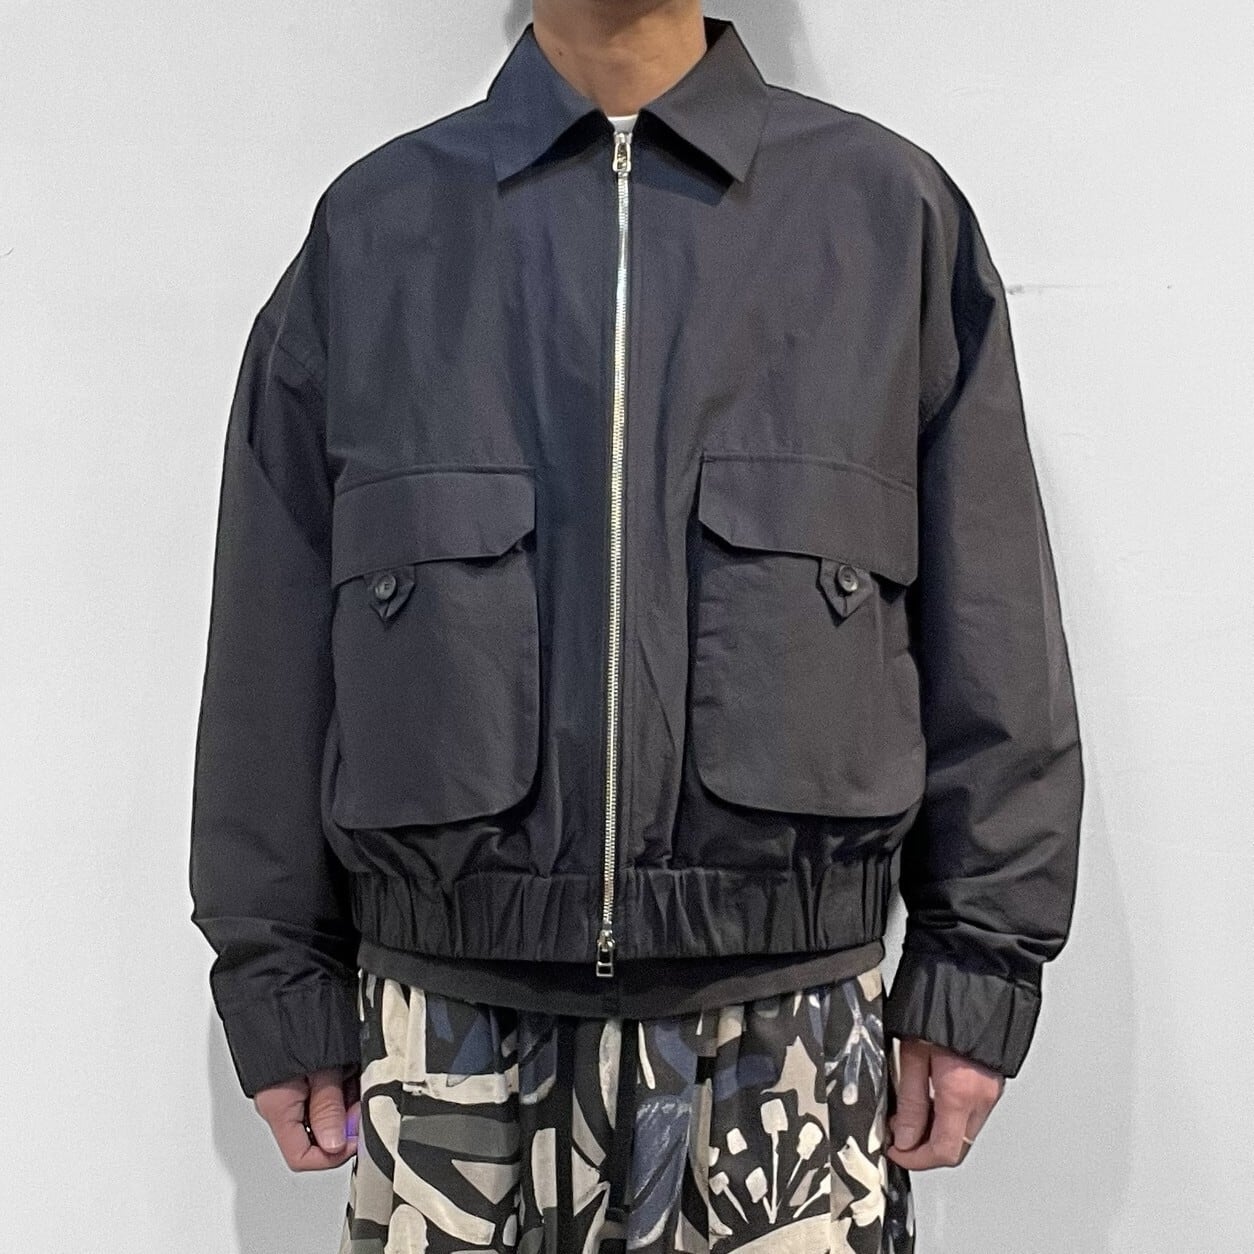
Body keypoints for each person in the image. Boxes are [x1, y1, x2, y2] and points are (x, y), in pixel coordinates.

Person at [188, 1, 1084, 1250]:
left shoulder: (888, 217)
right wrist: (278, 983)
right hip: (449, 1046)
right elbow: (272, 652)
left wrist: (977, 969)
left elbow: (993, 634)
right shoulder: (377, 230)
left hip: (788, 1040)